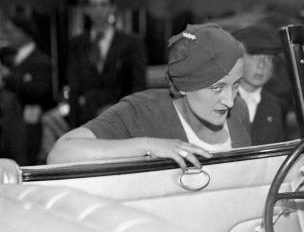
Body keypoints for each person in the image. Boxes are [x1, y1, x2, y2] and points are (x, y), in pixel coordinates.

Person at [48, 23, 251, 168]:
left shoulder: (239, 111)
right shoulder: (141, 112)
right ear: (183, 85)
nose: (229, 100)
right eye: (217, 87)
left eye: (236, 85)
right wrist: (148, 146)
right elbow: (61, 154)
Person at [67, 0, 146, 127]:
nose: (98, 10)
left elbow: (138, 84)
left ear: (112, 8)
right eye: (94, 5)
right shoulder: (76, 44)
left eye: (103, 4)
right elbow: (73, 85)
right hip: (85, 119)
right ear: (87, 10)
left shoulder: (131, 43)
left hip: (120, 117)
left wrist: (119, 110)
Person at [0, 14, 54, 164]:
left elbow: (39, 92)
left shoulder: (41, 61)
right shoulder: (8, 57)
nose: (8, 36)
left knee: (24, 159)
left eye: (12, 31)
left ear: (24, 33)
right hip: (7, 123)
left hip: (28, 124)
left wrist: (8, 77)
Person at [233, 25, 287, 145]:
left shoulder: (276, 106)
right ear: (238, 58)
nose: (261, 65)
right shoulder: (221, 100)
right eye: (254, 56)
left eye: (268, 58)